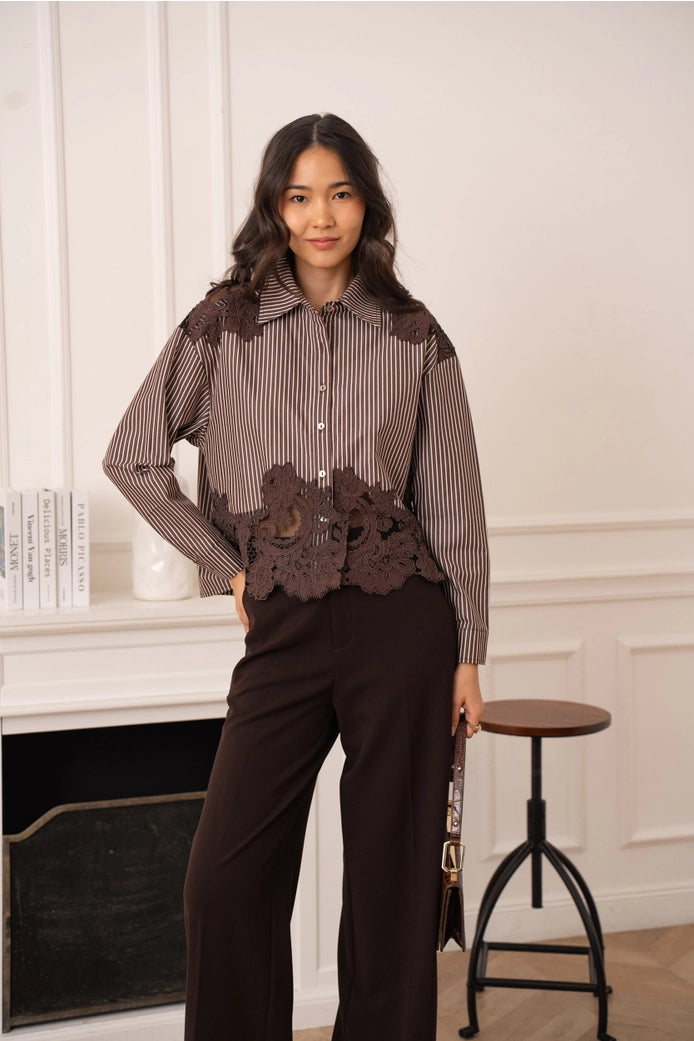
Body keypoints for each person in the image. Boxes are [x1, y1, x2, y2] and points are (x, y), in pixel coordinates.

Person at [103, 112, 488, 1041]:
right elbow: (132, 456)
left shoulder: (413, 333)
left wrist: (469, 653)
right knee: (226, 877)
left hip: (403, 621)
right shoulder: (222, 324)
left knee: (393, 879)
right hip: (279, 624)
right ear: (276, 205)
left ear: (367, 203)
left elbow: (456, 504)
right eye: (302, 194)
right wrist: (226, 566)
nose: (324, 215)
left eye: (343, 192)